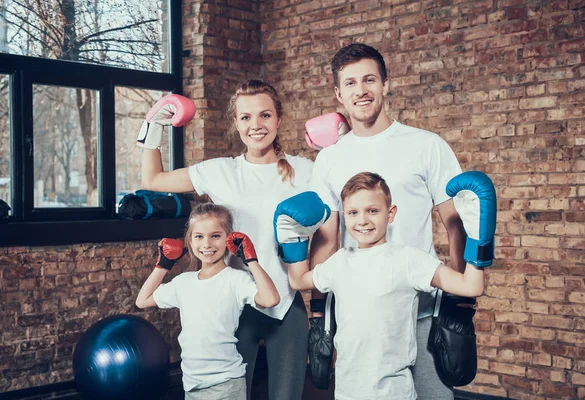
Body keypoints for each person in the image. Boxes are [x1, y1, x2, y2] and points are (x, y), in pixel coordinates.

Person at [307, 43, 467, 398]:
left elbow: (454, 223)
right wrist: (319, 312)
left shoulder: (426, 145)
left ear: (385, 84)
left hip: (424, 309)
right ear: (338, 93)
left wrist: (460, 301)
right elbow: (327, 238)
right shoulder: (329, 159)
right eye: (349, 84)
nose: (360, 91)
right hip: (361, 312)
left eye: (369, 80)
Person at [137, 79, 314, 399]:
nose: (256, 125)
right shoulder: (220, 171)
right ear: (236, 123)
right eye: (246, 117)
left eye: (265, 115)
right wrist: (154, 127)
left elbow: (336, 224)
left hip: (287, 303)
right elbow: (152, 179)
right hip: (234, 306)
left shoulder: (305, 171)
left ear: (279, 118)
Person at [281, 171, 494, 400]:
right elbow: (298, 280)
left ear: (390, 214)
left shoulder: (409, 260)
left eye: (372, 210)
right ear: (344, 216)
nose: (362, 220)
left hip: (394, 392)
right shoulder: (339, 262)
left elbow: (471, 287)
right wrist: (293, 240)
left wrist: (478, 238)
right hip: (347, 392)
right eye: (353, 212)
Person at [135, 202, 280, 400]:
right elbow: (142, 301)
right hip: (192, 384)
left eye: (215, 236)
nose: (207, 244)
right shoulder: (183, 283)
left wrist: (251, 261)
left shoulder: (235, 279)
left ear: (229, 238)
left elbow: (271, 299)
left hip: (226, 383)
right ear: (190, 240)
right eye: (199, 237)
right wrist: (163, 265)